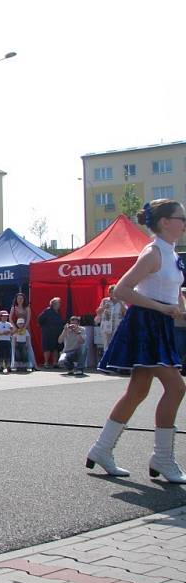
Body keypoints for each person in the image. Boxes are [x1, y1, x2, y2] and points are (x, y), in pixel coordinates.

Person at [87, 199, 186, 483]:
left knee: (138, 391)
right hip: (147, 324)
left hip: (160, 322)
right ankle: (163, 458)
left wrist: (176, 306)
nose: (185, 222)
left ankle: (102, 449)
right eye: (182, 217)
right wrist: (161, 308)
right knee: (177, 388)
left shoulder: (170, 252)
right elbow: (121, 289)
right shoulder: (154, 252)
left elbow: (169, 291)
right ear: (165, 222)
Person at [95, 285, 126, 362]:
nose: (113, 293)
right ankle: (105, 363)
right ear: (109, 293)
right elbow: (97, 311)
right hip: (106, 326)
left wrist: (120, 302)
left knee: (116, 344)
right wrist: (103, 307)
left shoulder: (121, 301)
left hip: (117, 326)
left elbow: (125, 312)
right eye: (111, 292)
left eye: (115, 292)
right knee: (106, 345)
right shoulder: (105, 300)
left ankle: (115, 363)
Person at [10, 292, 36, 370]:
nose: (20, 300)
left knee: (28, 346)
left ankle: (31, 364)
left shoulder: (27, 308)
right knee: (15, 346)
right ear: (16, 299)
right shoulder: (14, 307)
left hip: (26, 328)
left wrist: (24, 328)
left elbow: (28, 319)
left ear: (24, 299)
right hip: (16, 329)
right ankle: (16, 364)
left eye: (21, 298)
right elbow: (10, 318)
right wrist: (15, 328)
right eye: (18, 298)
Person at [38, 297, 64, 368]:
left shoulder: (58, 312)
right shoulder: (47, 311)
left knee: (56, 348)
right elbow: (40, 319)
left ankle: (55, 363)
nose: (59, 305)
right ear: (54, 304)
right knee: (47, 348)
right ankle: (46, 363)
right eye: (58, 303)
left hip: (57, 333)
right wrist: (46, 327)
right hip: (48, 333)